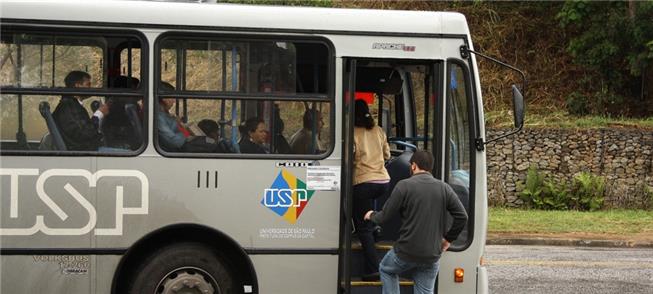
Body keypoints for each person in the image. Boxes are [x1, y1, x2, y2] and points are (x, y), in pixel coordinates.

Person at [364, 150, 468, 294]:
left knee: (386, 270)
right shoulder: (444, 188)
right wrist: (448, 239)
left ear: (413, 166)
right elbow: (462, 217)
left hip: (406, 252)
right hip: (432, 254)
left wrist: (371, 215)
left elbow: (384, 217)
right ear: (430, 167)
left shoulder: (404, 186)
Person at [351, 99, 390, 281]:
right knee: (367, 211)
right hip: (383, 181)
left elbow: (348, 157)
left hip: (363, 182)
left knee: (362, 228)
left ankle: (373, 269)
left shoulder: (352, 132)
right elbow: (387, 154)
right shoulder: (379, 130)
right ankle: (376, 227)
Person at [52, 70, 108, 151]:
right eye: (88, 85)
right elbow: (85, 133)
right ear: (77, 85)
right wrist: (99, 113)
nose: (90, 88)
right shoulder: (69, 107)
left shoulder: (72, 105)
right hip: (83, 150)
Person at [102, 76, 141, 150]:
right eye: (134, 89)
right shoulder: (119, 106)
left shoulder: (118, 102)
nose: (137, 93)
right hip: (120, 142)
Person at [156, 82, 189, 151]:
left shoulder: (165, 115)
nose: (174, 101)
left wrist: (180, 125)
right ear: (164, 98)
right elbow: (175, 142)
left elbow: (185, 133)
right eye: (171, 97)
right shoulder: (158, 117)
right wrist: (185, 133)